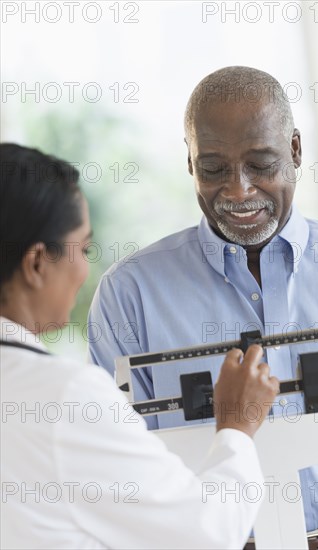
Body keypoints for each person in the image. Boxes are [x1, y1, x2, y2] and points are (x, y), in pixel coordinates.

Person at [88, 67, 318, 549]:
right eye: (213, 168)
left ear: (295, 150)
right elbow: (124, 474)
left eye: (261, 163)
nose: (238, 190)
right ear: (189, 162)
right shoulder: (130, 296)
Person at [0, 143, 280, 550]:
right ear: (38, 262)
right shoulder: (64, 396)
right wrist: (237, 425)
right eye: (85, 248)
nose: (86, 270)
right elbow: (206, 534)